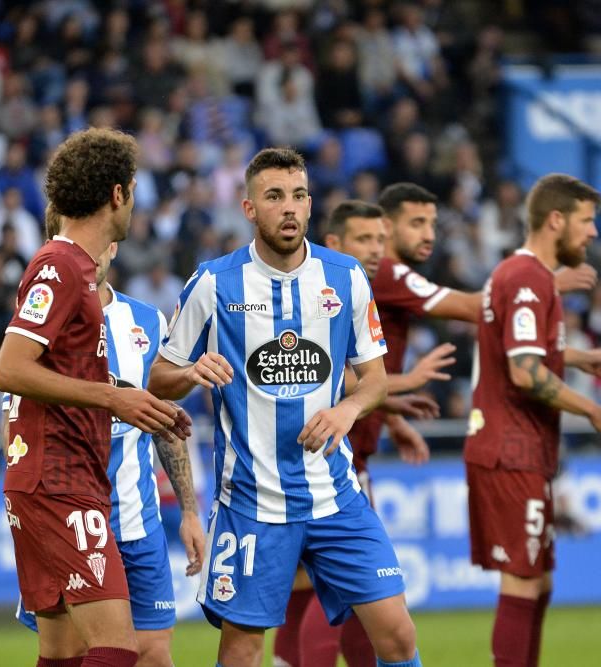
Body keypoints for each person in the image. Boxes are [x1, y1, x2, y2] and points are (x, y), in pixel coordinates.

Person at [148, 148, 421, 667]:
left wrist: (347, 411)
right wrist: (189, 373)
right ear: (250, 209)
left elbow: (376, 381)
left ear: (311, 205)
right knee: (244, 651)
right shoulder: (213, 283)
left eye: (298, 196)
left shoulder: (346, 278)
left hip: (335, 495)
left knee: (398, 635)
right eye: (274, 197)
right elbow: (159, 378)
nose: (288, 208)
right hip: (253, 501)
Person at [0, 128, 191, 667]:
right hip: (58, 479)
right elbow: (10, 369)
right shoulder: (59, 265)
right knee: (117, 648)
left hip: (56, 476)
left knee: (60, 650)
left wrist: (131, 400)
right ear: (118, 193)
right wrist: (111, 399)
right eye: (134, 189)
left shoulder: (75, 269)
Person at [273, 198, 445, 667]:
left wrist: (391, 414)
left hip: (338, 457)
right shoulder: (331, 284)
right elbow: (334, 375)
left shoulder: (352, 287)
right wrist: (403, 383)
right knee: (348, 597)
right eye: (366, 239)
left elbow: (357, 377)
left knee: (317, 595)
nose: (376, 250)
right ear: (334, 242)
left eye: (380, 241)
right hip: (324, 463)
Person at [464, 173, 601, 666]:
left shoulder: (526, 278)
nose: (593, 233)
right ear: (556, 220)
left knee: (539, 579)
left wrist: (573, 357)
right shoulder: (527, 278)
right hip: (509, 451)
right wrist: (593, 408)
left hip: (524, 450)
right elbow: (525, 371)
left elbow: (527, 351)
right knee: (523, 579)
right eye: (587, 221)